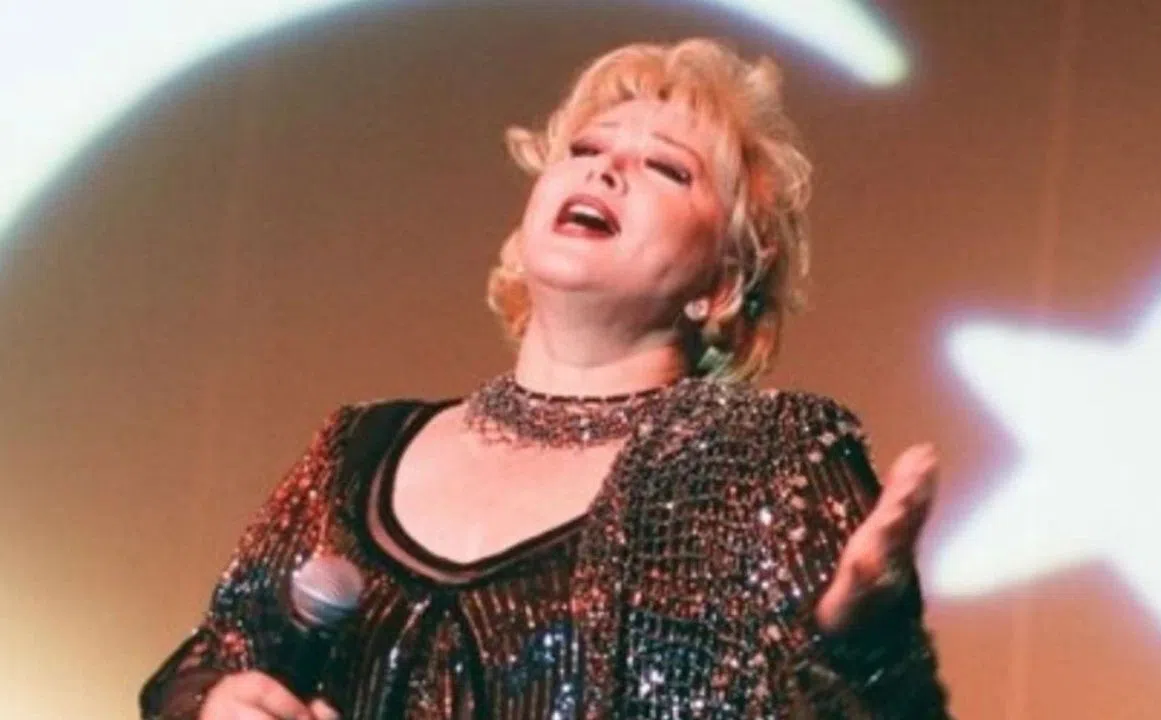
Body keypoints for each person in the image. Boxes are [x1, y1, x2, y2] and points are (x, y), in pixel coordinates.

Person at [140, 38, 952, 719]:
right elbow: (208, 665)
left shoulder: (770, 456)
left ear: (723, 283)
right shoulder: (357, 447)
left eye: (667, 169)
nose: (607, 170)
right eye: (586, 151)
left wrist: (867, 643)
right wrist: (217, 704)